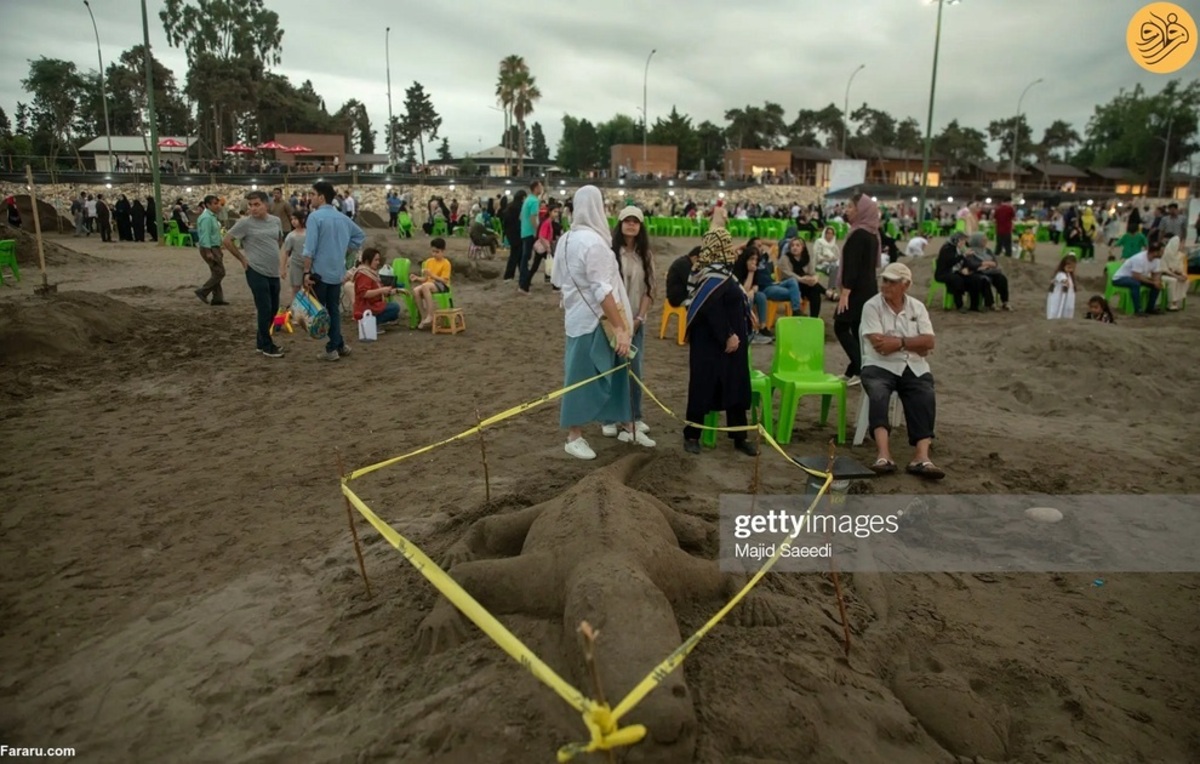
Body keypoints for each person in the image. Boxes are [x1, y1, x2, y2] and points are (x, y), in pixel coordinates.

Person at [550, 185, 649, 460]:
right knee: (582, 376)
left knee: (615, 371)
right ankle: (574, 436)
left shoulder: (567, 239)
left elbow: (557, 280)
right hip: (596, 320)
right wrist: (619, 327)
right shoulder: (593, 243)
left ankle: (626, 424)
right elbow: (602, 290)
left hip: (577, 316)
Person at [859, 262, 943, 480]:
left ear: (905, 285)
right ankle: (883, 454)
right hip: (878, 364)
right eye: (884, 280)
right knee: (878, 392)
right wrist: (914, 343)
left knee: (924, 393)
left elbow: (930, 341)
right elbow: (880, 345)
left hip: (912, 365)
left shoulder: (917, 307)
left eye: (891, 282)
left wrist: (899, 342)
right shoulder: (872, 306)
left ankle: (921, 456)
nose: (885, 285)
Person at [681, 228, 756, 457]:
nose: (730, 248)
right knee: (703, 386)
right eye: (726, 243)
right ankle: (692, 435)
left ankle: (739, 436)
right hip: (711, 343)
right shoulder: (709, 275)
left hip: (732, 344)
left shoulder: (724, 272)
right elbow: (711, 309)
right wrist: (728, 335)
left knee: (735, 385)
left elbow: (735, 299)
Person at [601, 206, 656, 439]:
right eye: (627, 220)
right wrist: (618, 322)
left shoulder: (646, 255)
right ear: (620, 224)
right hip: (613, 321)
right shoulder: (610, 253)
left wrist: (640, 318)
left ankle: (634, 416)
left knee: (635, 370)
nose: (631, 225)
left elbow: (650, 289)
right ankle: (609, 417)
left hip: (636, 321)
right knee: (611, 369)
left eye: (636, 221)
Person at [302, 180, 366, 361]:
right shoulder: (343, 218)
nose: (310, 198)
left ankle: (332, 348)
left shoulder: (315, 217)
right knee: (333, 309)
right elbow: (360, 236)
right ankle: (339, 344)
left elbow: (309, 249)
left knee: (322, 312)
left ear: (321, 197)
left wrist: (306, 272)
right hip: (336, 271)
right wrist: (345, 249)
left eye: (312, 194)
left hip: (319, 272)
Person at [223, 190, 285, 358]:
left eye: (257, 204)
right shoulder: (245, 224)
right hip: (256, 271)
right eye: (250, 205)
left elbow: (279, 240)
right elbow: (227, 240)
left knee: (273, 309)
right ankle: (267, 345)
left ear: (266, 205)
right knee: (264, 308)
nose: (253, 208)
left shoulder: (275, 221)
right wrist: (242, 259)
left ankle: (260, 342)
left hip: (273, 271)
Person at [834, 193, 881, 385]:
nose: (847, 210)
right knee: (856, 328)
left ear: (861, 210)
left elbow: (852, 266)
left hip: (855, 290)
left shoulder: (858, 235)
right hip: (868, 288)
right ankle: (853, 370)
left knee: (841, 326)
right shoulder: (872, 234)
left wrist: (845, 292)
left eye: (851, 207)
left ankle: (861, 368)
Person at [352, 247, 403, 329]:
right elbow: (364, 293)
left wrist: (395, 291)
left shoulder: (370, 273)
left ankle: (373, 323)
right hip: (366, 307)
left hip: (373, 304)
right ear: (368, 261)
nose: (378, 262)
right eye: (376, 260)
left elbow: (378, 291)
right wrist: (381, 290)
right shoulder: (363, 274)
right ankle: (370, 325)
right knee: (394, 307)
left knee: (394, 313)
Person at [1111, 238, 1164, 316]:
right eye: (1161, 251)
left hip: (1135, 278)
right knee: (1135, 284)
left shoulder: (1156, 260)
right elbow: (1136, 276)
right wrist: (1152, 282)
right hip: (1120, 278)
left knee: (1156, 286)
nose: (1163, 253)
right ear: (1155, 252)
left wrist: (1156, 282)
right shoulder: (1139, 259)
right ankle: (1138, 310)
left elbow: (1156, 273)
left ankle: (1150, 308)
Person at [410, 237, 452, 330]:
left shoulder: (446, 263)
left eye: (437, 252)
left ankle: (430, 314)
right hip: (429, 284)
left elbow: (444, 280)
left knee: (425, 286)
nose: (434, 254)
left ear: (443, 251)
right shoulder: (429, 261)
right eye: (433, 251)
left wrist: (432, 275)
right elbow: (425, 279)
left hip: (442, 285)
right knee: (416, 290)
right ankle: (423, 316)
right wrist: (417, 278)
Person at [776, 236, 823, 317]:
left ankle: (814, 318)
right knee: (813, 287)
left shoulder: (806, 258)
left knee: (815, 290)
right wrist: (801, 279)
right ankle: (826, 292)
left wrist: (815, 278)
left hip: (805, 285)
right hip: (790, 286)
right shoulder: (784, 258)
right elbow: (788, 274)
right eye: (792, 245)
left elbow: (812, 273)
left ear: (802, 248)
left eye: (798, 245)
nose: (795, 247)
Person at [193, 195, 228, 306]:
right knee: (220, 273)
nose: (218, 206)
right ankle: (203, 291)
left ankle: (217, 298)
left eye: (218, 204)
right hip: (210, 248)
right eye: (215, 204)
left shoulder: (212, 216)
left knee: (216, 272)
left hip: (214, 247)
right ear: (208, 205)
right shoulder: (206, 218)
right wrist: (208, 252)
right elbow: (205, 236)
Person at [967, 232, 1012, 311]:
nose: (985, 241)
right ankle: (991, 303)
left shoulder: (988, 251)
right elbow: (971, 264)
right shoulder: (971, 252)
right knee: (984, 280)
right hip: (978, 273)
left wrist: (986, 265)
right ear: (977, 241)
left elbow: (995, 263)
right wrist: (985, 263)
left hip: (990, 271)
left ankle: (1005, 302)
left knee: (1001, 279)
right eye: (983, 240)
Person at [933, 233, 977, 312]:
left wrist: (965, 268)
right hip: (944, 273)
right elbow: (950, 262)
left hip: (956, 272)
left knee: (974, 278)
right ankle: (959, 305)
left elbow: (964, 262)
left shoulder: (960, 249)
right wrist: (963, 255)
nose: (964, 243)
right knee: (957, 279)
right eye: (962, 240)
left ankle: (974, 305)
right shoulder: (947, 249)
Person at [517, 180, 544, 294]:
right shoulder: (534, 201)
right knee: (529, 258)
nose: (542, 188)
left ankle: (523, 282)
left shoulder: (527, 200)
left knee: (525, 258)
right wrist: (538, 231)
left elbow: (520, 217)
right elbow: (533, 218)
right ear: (536, 188)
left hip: (524, 232)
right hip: (530, 233)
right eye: (540, 186)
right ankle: (524, 284)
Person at [279, 210, 307, 312]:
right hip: (296, 264)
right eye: (292, 219)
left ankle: (307, 312)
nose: (293, 221)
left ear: (302, 220)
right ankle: (296, 312)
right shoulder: (291, 236)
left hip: (308, 265)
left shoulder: (309, 233)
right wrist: (283, 268)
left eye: (295, 219)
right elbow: (285, 252)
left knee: (308, 289)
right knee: (296, 288)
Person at [501, 189, 527, 282]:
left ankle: (523, 276)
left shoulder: (510, 206)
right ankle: (508, 276)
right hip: (518, 234)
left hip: (510, 234)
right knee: (516, 255)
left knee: (518, 255)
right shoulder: (520, 207)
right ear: (523, 198)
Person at [1159, 235, 1189, 311]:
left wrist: (1182, 275)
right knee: (1173, 281)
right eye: (1181, 243)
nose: (1183, 245)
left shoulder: (1180, 255)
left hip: (1175, 274)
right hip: (1163, 275)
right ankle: (1172, 303)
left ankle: (1176, 300)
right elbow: (1164, 270)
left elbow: (1180, 269)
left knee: (1186, 281)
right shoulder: (1165, 254)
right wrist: (1176, 276)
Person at [812, 225, 840, 298]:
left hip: (832, 263)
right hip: (820, 265)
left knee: (841, 267)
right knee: (835, 268)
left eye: (831, 233)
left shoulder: (834, 245)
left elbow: (837, 256)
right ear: (824, 233)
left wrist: (833, 259)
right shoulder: (819, 242)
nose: (829, 235)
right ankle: (830, 290)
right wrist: (827, 259)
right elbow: (817, 257)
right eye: (828, 233)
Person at [1046, 254, 1077, 320]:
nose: (1070, 269)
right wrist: (1065, 282)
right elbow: (1063, 279)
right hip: (1058, 297)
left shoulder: (1069, 275)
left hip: (1067, 297)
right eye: (1069, 267)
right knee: (1055, 309)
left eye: (1072, 268)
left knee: (1066, 309)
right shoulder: (1060, 274)